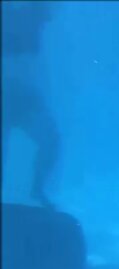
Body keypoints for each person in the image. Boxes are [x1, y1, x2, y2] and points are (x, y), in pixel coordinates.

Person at [1, 0, 60, 209]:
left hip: (25, 96)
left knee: (51, 141)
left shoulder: (35, 15)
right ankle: (36, 191)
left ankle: (37, 190)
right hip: (10, 94)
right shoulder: (19, 15)